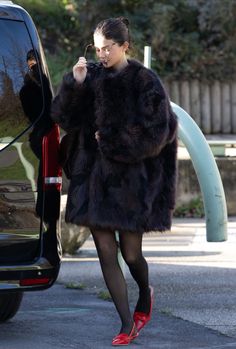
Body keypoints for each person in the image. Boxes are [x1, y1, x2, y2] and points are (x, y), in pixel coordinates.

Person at [51, 17, 178, 346]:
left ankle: (145, 297)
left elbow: (158, 133)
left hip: (129, 183)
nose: (102, 54)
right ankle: (126, 324)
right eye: (97, 49)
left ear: (125, 46)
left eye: (108, 48)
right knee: (106, 253)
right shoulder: (90, 76)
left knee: (131, 254)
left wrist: (110, 139)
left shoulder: (144, 81)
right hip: (92, 180)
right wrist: (75, 84)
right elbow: (63, 118)